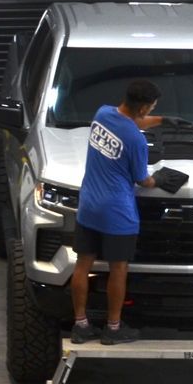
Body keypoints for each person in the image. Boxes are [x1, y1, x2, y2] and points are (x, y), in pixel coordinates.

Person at [72, 78, 163, 345]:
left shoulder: (102, 114)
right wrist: (161, 180)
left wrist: (161, 120)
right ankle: (113, 328)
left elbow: (128, 123)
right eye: (152, 107)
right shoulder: (136, 140)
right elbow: (142, 179)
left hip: (88, 207)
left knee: (82, 264)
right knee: (118, 269)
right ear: (144, 107)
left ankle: (80, 325)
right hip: (118, 215)